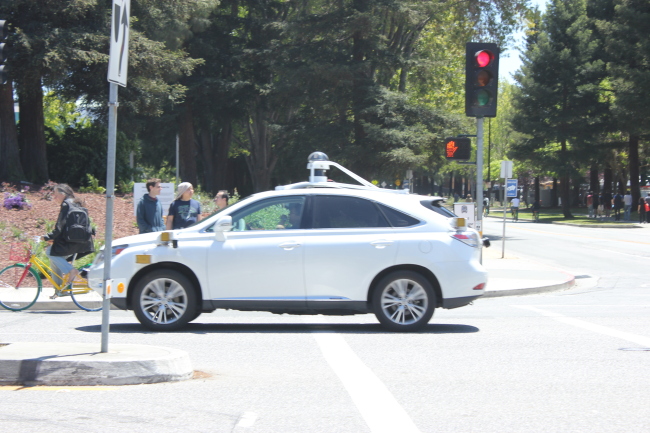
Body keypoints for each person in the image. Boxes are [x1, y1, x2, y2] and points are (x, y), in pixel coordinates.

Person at [42, 184, 95, 286]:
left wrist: (47, 237)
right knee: (55, 259)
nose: (54, 197)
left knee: (50, 252)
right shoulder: (76, 203)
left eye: (56, 194)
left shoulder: (66, 205)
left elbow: (60, 227)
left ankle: (71, 271)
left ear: (63, 194)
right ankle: (60, 289)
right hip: (83, 242)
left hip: (72, 242)